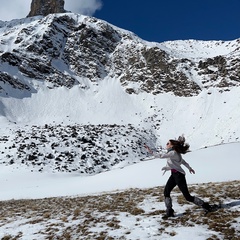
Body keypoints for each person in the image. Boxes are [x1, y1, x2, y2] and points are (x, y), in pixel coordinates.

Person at [144, 136, 217, 219]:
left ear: (171, 146)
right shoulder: (175, 153)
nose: (166, 144)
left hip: (179, 176)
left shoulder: (173, 153)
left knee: (187, 197)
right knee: (166, 192)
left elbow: (161, 156)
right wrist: (189, 168)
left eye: (168, 143)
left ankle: (206, 206)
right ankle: (169, 212)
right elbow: (183, 162)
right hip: (174, 175)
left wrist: (149, 151)